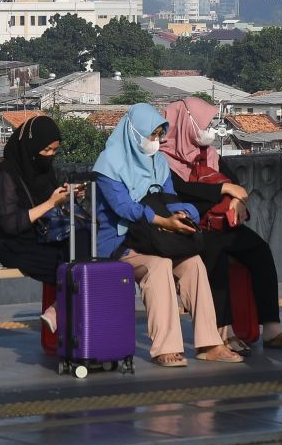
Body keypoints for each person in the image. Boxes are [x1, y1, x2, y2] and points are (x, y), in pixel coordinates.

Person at [93, 104, 243, 367]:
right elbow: (124, 208)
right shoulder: (108, 165)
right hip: (123, 242)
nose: (156, 142)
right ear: (133, 132)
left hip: (156, 238)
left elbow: (170, 197)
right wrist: (163, 220)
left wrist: (186, 215)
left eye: (159, 135)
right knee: (159, 266)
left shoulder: (158, 162)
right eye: (152, 135)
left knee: (194, 264)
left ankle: (210, 343)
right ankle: (165, 347)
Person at [161, 97, 282, 350]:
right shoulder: (164, 159)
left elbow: (236, 184)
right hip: (189, 226)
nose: (208, 130)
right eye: (203, 124)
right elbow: (181, 190)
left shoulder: (209, 154)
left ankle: (271, 325)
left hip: (220, 223)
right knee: (215, 257)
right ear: (186, 124)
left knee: (260, 250)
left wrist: (236, 201)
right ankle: (223, 329)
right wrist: (223, 189)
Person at [0, 116, 72, 354]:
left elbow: (54, 213)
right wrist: (49, 203)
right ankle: (59, 315)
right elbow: (10, 225)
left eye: (55, 150)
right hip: (16, 246)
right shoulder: (5, 173)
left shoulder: (44, 171)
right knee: (70, 267)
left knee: (85, 254)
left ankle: (59, 314)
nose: (49, 155)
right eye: (46, 150)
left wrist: (68, 199)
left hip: (45, 239)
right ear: (31, 148)